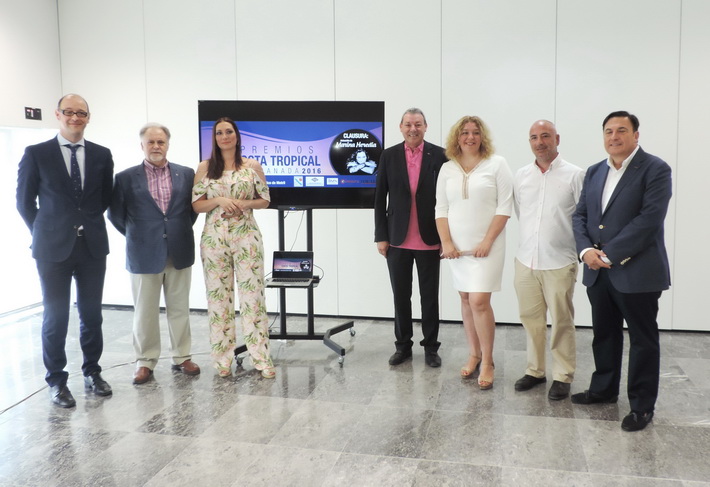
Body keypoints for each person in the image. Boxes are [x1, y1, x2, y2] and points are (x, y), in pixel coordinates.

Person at [572, 111, 672, 431]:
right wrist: (586, 251)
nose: (614, 136)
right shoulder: (594, 171)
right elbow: (580, 216)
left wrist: (609, 254)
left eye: (621, 130)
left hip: (637, 272)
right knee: (604, 333)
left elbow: (649, 220)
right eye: (608, 131)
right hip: (597, 271)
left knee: (642, 339)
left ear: (636, 135)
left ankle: (642, 406)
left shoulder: (655, 169)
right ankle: (603, 390)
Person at [16, 94, 114, 408]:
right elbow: (24, 202)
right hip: (52, 250)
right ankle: (57, 380)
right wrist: (45, 231)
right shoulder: (37, 153)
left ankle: (92, 372)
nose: (75, 118)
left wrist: (84, 224)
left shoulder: (101, 154)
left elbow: (105, 198)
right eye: (69, 112)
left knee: (92, 315)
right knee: (55, 317)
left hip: (92, 247)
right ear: (58, 114)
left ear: (88, 117)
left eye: (81, 113)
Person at [108, 123, 200, 384]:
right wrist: (141, 236)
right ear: (142, 145)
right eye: (151, 142)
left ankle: (181, 356)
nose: (156, 146)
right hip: (143, 253)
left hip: (179, 250)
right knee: (145, 311)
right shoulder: (125, 178)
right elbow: (116, 215)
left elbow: (190, 212)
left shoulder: (186, 174)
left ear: (168, 144)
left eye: (161, 142)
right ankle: (145, 361)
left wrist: (173, 232)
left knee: (179, 308)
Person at [192, 117, 275, 379]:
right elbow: (197, 205)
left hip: (246, 237)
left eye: (229, 132)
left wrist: (244, 204)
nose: (224, 136)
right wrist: (218, 200)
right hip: (214, 240)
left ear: (237, 136)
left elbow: (265, 200)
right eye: (219, 133)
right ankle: (222, 360)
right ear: (214, 138)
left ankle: (260, 357)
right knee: (218, 299)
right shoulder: (205, 168)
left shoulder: (252, 166)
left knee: (253, 299)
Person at [435, 116, 513, 390]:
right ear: (457, 138)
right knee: (466, 299)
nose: (470, 137)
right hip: (457, 249)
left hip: (488, 246)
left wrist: (487, 241)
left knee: (479, 300)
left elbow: (504, 207)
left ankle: (488, 361)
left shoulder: (497, 164)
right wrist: (446, 243)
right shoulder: (447, 168)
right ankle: (474, 354)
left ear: (483, 137)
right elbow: (441, 209)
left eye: (476, 133)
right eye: (465, 133)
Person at [513, 120, 585, 400]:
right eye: (534, 137)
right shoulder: (521, 176)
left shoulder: (575, 175)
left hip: (559, 262)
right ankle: (535, 370)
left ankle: (563, 375)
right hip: (526, 261)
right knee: (531, 320)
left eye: (545, 136)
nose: (539, 142)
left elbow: (583, 217)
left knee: (562, 321)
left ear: (557, 139)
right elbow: (522, 213)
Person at [374, 108, 448, 368]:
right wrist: (381, 236)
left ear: (426, 127)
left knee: (430, 297)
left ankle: (431, 347)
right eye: (408, 124)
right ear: (401, 127)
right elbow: (379, 198)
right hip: (397, 239)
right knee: (401, 296)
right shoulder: (389, 155)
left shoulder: (440, 155)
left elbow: (447, 199)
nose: (413, 129)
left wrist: (446, 238)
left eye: (418, 124)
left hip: (430, 237)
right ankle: (403, 346)